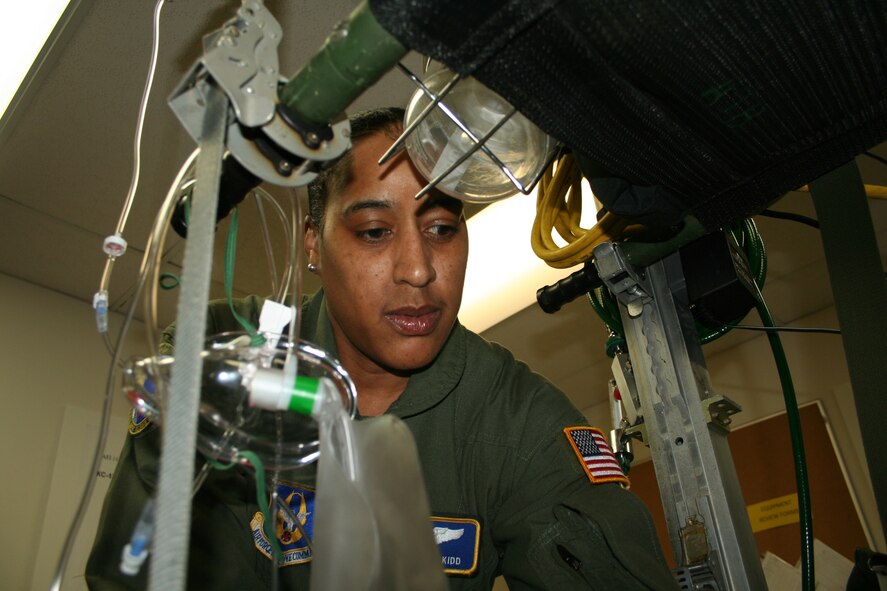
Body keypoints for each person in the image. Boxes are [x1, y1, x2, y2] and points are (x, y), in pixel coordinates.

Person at [87, 107, 678, 590]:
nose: (419, 270)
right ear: (313, 246)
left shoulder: (516, 420)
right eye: (375, 232)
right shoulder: (217, 358)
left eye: (443, 229)